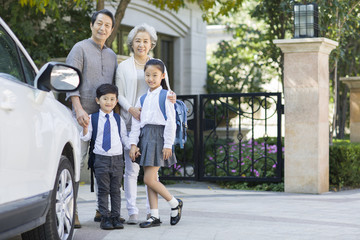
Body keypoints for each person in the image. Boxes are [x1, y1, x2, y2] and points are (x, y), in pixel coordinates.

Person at [115, 23, 176, 224]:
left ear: (151, 44)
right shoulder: (123, 66)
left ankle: (154, 212)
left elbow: (167, 91)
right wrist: (131, 109)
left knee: (150, 174)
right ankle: (133, 211)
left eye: (145, 41)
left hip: (154, 127)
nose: (141, 44)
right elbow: (119, 94)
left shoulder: (158, 65)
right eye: (137, 41)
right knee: (132, 170)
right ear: (132, 43)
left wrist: (173, 97)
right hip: (132, 120)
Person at [66, 9, 118, 228]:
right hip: (83, 118)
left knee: (102, 166)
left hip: (105, 121)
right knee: (76, 164)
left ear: (111, 29)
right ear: (91, 25)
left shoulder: (112, 55)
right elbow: (70, 82)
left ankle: (102, 210)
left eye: (107, 25)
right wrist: (78, 109)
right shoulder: (80, 48)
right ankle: (71, 210)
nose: (102, 28)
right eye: (99, 23)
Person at [129, 59, 183, 228]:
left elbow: (171, 122)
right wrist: (133, 144)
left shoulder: (167, 96)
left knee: (149, 178)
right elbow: (136, 123)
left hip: (159, 137)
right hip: (145, 138)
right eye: (147, 75)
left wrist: (168, 144)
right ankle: (155, 216)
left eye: (154, 75)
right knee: (149, 179)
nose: (150, 78)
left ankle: (175, 203)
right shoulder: (142, 98)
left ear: (162, 76)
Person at [80, 84, 131, 230]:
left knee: (116, 190)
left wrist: (132, 147)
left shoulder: (118, 118)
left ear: (116, 101)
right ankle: (105, 218)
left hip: (117, 159)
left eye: (112, 99)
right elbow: (86, 137)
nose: (108, 102)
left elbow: (123, 137)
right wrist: (84, 127)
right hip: (100, 158)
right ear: (98, 100)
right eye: (105, 99)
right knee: (103, 190)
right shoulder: (93, 118)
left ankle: (116, 217)